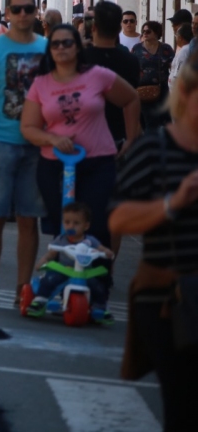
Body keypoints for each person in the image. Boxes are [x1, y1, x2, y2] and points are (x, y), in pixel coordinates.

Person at [109, 58, 198, 431]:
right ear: (185, 95)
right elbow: (118, 219)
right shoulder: (155, 149)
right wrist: (172, 203)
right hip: (168, 298)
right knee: (183, 401)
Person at [21, 24, 139, 251]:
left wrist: (131, 138)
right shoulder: (41, 83)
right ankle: (63, 270)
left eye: (67, 42)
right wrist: (53, 140)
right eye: (55, 44)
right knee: (63, 227)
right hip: (55, 166)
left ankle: (98, 271)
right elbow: (28, 127)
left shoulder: (97, 75)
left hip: (98, 163)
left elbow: (131, 98)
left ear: (77, 47)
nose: (61, 48)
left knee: (97, 226)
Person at [0, 0, 47, 307]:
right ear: (6, 12)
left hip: (37, 146)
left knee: (30, 220)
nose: (22, 14)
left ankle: (23, 287)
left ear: (36, 11)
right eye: (16, 9)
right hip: (0, 143)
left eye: (28, 9)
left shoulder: (47, 48)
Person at [27, 202, 115, 322]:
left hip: (84, 272)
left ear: (86, 226)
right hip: (64, 270)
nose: (71, 226)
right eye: (67, 222)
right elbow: (51, 253)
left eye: (76, 223)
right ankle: (40, 300)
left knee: (97, 286)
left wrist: (106, 252)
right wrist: (43, 261)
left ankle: (100, 307)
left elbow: (101, 249)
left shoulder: (90, 240)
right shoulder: (61, 239)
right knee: (50, 279)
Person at [82, 0, 142, 156]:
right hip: (120, 133)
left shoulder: (81, 58)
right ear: (119, 28)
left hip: (86, 133)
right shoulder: (130, 60)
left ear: (93, 27)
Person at [131, 20, 175, 130]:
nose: (145, 34)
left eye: (148, 31)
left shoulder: (166, 49)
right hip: (143, 90)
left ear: (156, 33)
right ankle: (151, 139)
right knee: (149, 121)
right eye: (143, 31)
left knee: (165, 119)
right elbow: (130, 67)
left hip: (162, 89)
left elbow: (174, 66)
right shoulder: (137, 49)